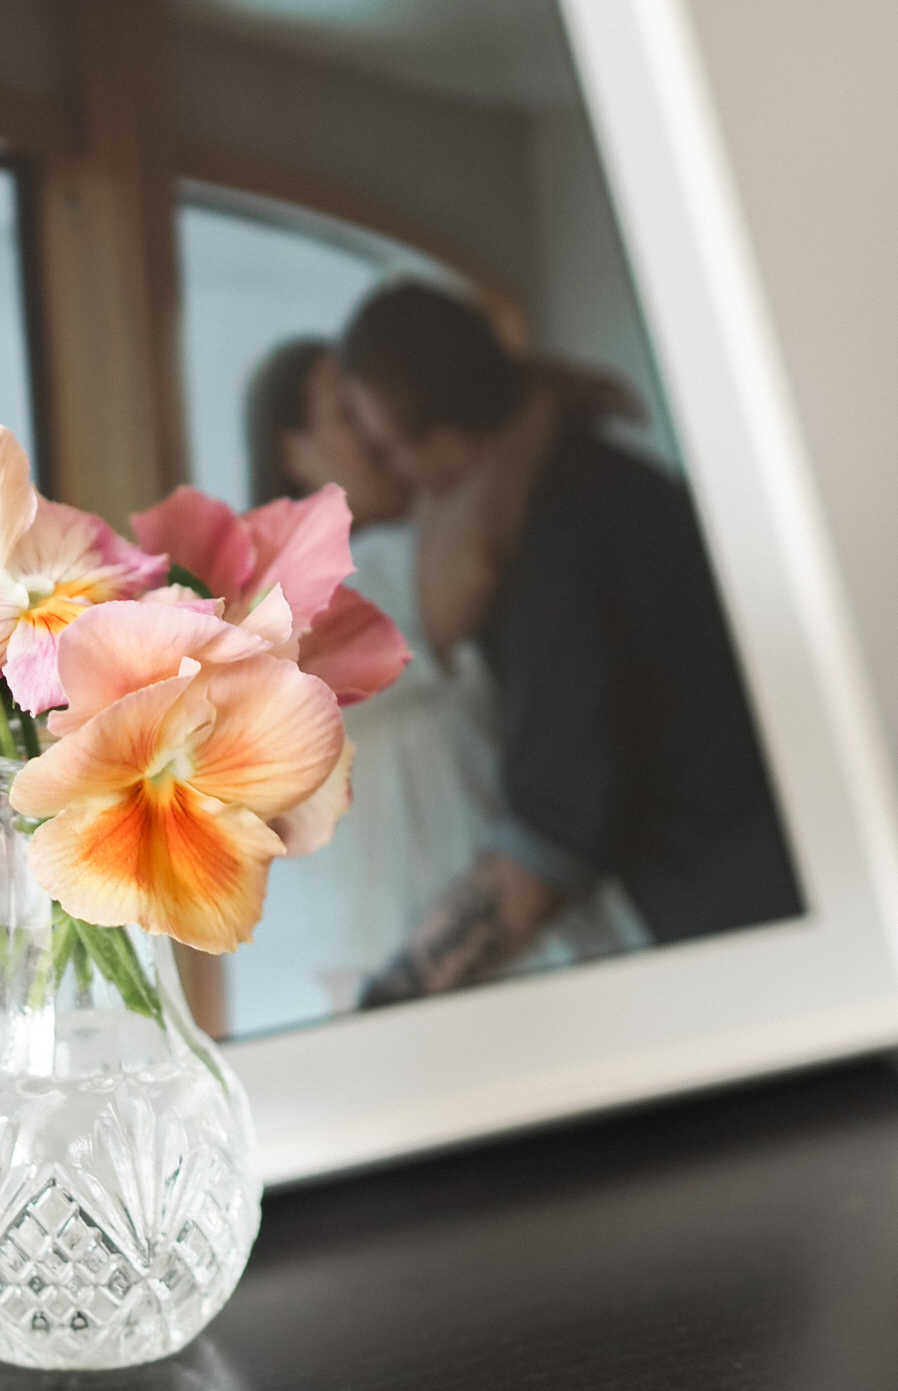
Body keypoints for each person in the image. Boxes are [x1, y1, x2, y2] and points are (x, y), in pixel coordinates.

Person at [339, 284, 801, 1006]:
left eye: (389, 450)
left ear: (446, 440)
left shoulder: (549, 549)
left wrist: (389, 1006)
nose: (399, 477)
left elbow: (553, 837)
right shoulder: (620, 481)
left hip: (744, 926)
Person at [241, 335, 649, 1015]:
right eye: (346, 410)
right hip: (499, 989)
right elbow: (473, 562)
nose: (375, 426)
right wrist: (531, 416)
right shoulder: (318, 593)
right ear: (295, 453)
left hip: (498, 981)